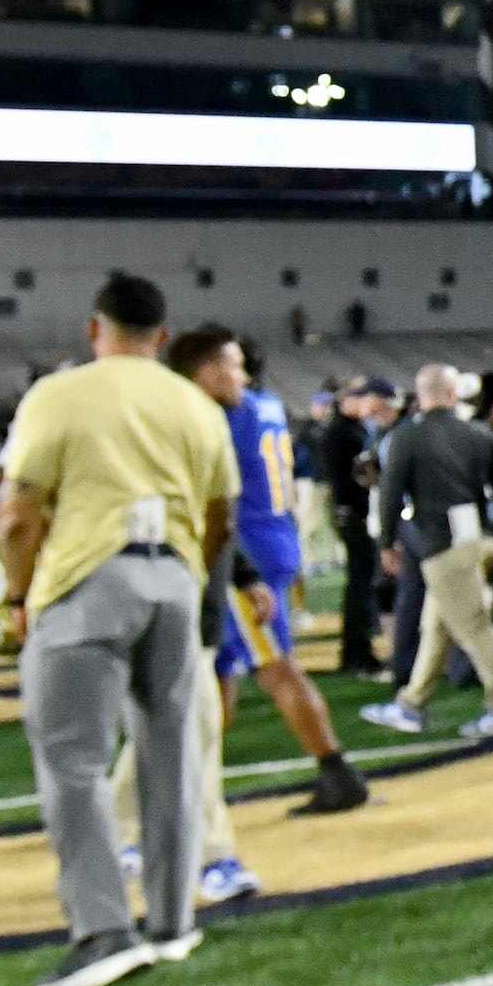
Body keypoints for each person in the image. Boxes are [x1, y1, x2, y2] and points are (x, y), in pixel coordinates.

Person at [0, 273, 239, 986]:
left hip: (88, 578)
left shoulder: (60, 394)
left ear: (93, 327)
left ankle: (103, 930)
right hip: (175, 575)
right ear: (162, 336)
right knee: (170, 752)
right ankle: (172, 918)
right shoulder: (194, 403)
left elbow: (18, 511)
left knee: (75, 761)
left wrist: (17, 591)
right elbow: (222, 509)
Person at [169, 327, 368, 820]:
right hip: (273, 537)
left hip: (247, 552)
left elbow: (214, 493)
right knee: (218, 669)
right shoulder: (267, 405)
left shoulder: (226, 415)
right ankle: (197, 779)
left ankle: (335, 768)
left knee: (275, 665)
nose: (239, 375)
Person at [362, 363, 493, 741]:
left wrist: (387, 542)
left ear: (421, 395)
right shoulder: (478, 433)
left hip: (441, 547)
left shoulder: (406, 437)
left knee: (475, 630)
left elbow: (390, 492)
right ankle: (410, 704)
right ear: (453, 394)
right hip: (480, 540)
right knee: (435, 627)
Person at [317, 380, 391, 675]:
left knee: (361, 584)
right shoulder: (342, 433)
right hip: (355, 515)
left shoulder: (346, 429)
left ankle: (359, 651)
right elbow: (351, 482)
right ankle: (358, 655)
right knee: (361, 585)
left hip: (352, 513)